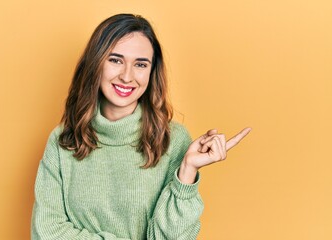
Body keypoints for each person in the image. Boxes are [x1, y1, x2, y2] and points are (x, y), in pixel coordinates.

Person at [31, 13, 251, 240]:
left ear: (151, 71)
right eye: (115, 60)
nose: (127, 76)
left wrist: (187, 171)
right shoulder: (63, 140)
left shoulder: (173, 140)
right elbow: (46, 232)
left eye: (140, 64)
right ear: (96, 63)